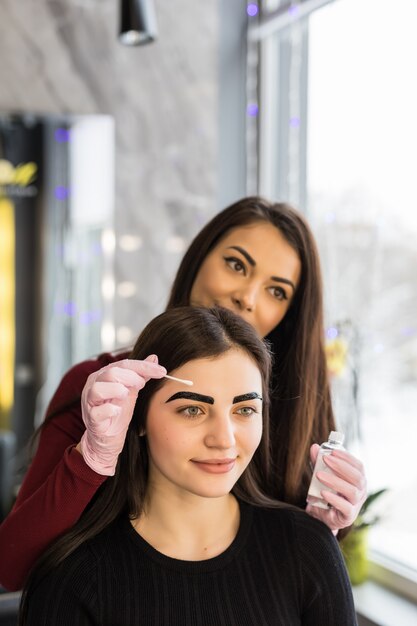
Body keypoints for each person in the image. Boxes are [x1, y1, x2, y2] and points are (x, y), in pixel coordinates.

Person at [0, 197, 366, 591]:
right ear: (198, 260)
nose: (248, 296)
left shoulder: (294, 411)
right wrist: (90, 460)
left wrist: (321, 532)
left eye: (276, 291)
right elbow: (13, 567)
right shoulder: (103, 388)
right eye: (236, 265)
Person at [19, 306, 357, 625]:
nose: (224, 440)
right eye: (192, 410)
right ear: (136, 418)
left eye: (245, 410)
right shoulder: (74, 579)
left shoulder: (308, 548)